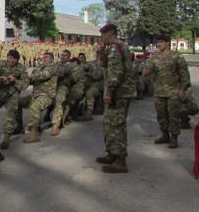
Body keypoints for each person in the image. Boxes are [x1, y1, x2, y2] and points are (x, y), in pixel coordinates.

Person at [95, 24, 135, 173]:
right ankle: (112, 153)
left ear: (107, 35)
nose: (101, 39)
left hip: (119, 93)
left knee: (117, 126)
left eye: (102, 36)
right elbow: (103, 66)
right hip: (117, 92)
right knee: (110, 125)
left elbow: (115, 74)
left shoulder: (115, 48)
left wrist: (109, 92)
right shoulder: (112, 47)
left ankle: (121, 160)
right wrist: (100, 52)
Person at [144, 34, 190, 149]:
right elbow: (149, 69)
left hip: (173, 91)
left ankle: (174, 137)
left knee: (173, 115)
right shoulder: (155, 57)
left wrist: (183, 89)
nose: (159, 44)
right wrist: (147, 71)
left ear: (167, 43)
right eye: (158, 42)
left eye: (161, 42)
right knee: (161, 115)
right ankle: (165, 135)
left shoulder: (177, 57)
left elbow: (184, 74)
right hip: (160, 91)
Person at [0, 50, 29, 149]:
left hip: (12, 94)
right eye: (10, 58)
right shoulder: (0, 64)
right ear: (7, 57)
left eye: (14, 59)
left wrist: (15, 81)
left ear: (18, 60)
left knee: (11, 111)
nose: (12, 60)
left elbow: (25, 85)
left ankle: (6, 137)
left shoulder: (22, 69)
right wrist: (1, 78)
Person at [15, 52, 57, 143]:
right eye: (43, 57)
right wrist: (21, 78)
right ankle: (19, 126)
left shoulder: (53, 67)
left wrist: (31, 77)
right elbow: (31, 81)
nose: (44, 59)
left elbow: (45, 75)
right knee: (17, 103)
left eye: (47, 57)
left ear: (52, 59)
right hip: (35, 95)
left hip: (47, 96)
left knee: (35, 107)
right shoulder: (38, 68)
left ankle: (34, 134)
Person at [79, 52, 104, 121]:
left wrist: (88, 74)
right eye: (97, 55)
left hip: (100, 84)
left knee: (90, 94)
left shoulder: (105, 65)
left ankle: (89, 114)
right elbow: (84, 66)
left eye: (100, 56)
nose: (98, 57)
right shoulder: (93, 63)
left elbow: (97, 76)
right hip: (90, 83)